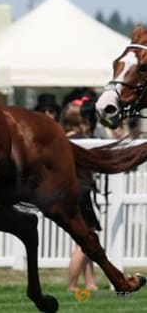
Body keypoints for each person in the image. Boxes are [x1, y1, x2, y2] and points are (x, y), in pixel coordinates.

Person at [61, 100, 101, 293]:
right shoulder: (81, 139)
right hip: (81, 191)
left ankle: (90, 282)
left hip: (71, 191)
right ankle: (72, 285)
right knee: (85, 239)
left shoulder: (60, 137)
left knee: (86, 236)